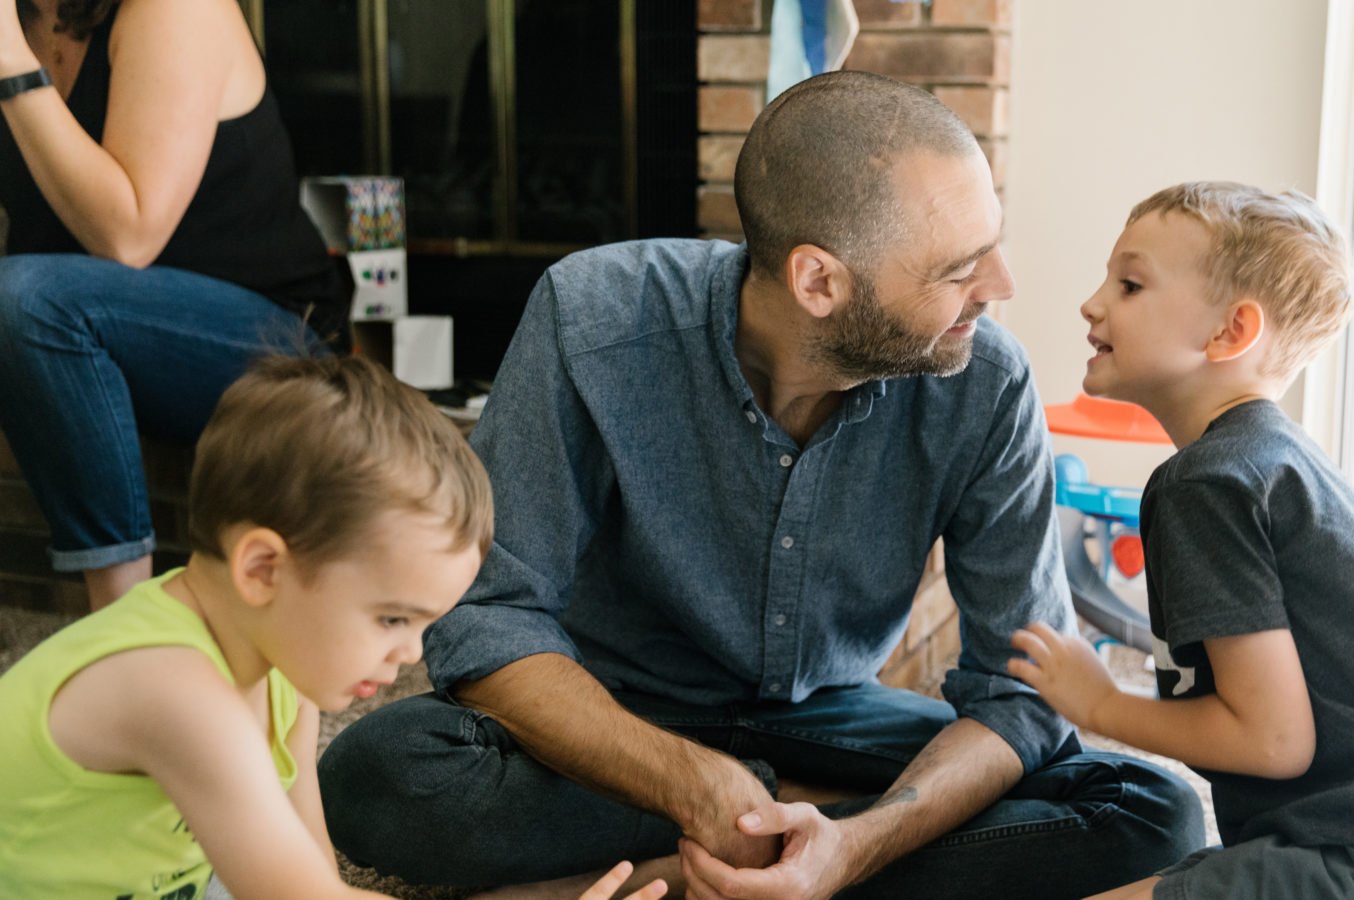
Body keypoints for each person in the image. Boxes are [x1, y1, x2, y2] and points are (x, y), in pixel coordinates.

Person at [318, 70, 1204, 898]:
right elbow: (489, 619)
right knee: (382, 773)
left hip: (835, 724)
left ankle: (736, 866)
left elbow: (1017, 689)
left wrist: (856, 844)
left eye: (993, 246)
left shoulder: (985, 381)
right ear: (818, 280)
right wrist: (693, 783)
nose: (1001, 288)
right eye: (958, 268)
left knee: (1152, 809)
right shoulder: (591, 317)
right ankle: (768, 839)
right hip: (616, 721)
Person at [1007, 182, 1354, 899]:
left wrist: (1102, 705)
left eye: (1130, 284)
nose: (1092, 302)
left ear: (1230, 332)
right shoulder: (1268, 456)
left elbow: (1273, 741)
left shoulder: (1208, 482)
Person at [0, 354, 667, 900]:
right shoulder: (172, 688)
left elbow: (313, 878)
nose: (410, 655)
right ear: (262, 568)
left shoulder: (279, 668)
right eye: (391, 617)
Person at [0, 0, 350, 611]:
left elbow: (128, 235)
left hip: (269, 342)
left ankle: (120, 624)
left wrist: (9, 63)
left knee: (24, 296)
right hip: (84, 333)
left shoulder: (172, 8)